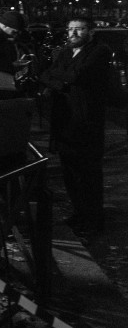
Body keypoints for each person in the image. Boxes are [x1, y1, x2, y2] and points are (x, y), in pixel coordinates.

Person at [39, 16, 111, 239]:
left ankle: (93, 218)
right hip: (64, 119)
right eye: (70, 29)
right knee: (69, 170)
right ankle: (79, 212)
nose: (73, 33)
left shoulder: (99, 51)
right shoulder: (65, 52)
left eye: (79, 29)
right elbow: (45, 75)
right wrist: (62, 82)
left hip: (86, 120)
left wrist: (57, 77)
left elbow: (78, 75)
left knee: (88, 171)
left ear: (91, 31)